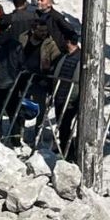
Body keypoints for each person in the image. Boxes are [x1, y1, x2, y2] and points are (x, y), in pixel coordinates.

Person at [50, 30, 82, 162]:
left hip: (71, 100)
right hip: (60, 97)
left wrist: (74, 98)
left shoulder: (80, 59)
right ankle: (64, 150)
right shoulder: (64, 57)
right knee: (61, 125)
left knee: (65, 126)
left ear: (69, 42)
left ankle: (70, 154)